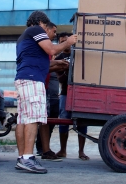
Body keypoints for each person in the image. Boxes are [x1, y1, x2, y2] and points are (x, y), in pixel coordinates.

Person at [14, 11, 77, 174]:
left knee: (22, 119)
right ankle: (28, 158)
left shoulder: (24, 37)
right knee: (33, 118)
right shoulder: (36, 30)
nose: (51, 34)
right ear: (42, 22)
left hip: (23, 78)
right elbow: (51, 49)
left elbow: (41, 61)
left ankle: (22, 158)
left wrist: (58, 63)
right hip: (33, 80)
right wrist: (68, 42)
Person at [35, 22, 68, 161]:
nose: (55, 35)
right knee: (41, 119)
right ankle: (41, 149)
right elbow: (45, 66)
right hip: (41, 85)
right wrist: (60, 64)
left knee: (48, 117)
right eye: (54, 32)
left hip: (50, 87)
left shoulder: (49, 48)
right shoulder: (47, 47)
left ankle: (45, 149)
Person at [55, 32, 90, 161]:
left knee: (82, 120)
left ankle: (81, 151)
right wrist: (69, 69)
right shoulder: (58, 58)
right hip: (65, 93)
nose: (65, 43)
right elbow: (61, 79)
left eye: (66, 40)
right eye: (62, 41)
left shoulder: (79, 54)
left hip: (81, 92)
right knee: (63, 119)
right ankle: (63, 150)